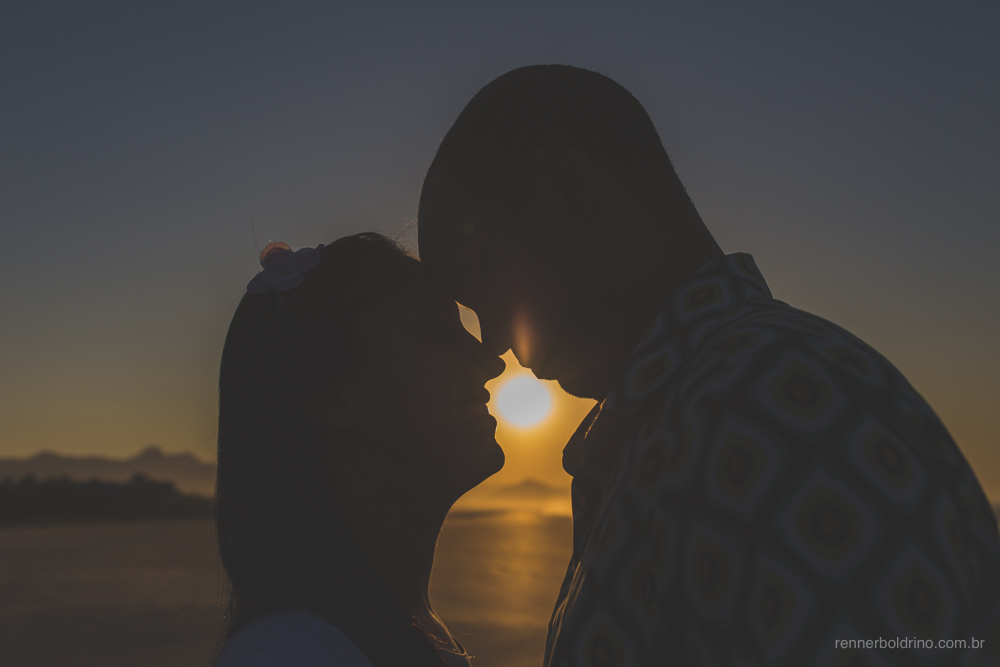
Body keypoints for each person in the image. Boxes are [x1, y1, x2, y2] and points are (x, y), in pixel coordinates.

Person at [417, 65, 1000, 666]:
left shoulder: (778, 409)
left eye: (484, 284)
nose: (493, 345)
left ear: (567, 188)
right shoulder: (704, 413)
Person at [213, 232, 504, 667]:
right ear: (331, 396)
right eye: (436, 329)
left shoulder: (370, 634)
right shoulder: (294, 654)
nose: (490, 361)